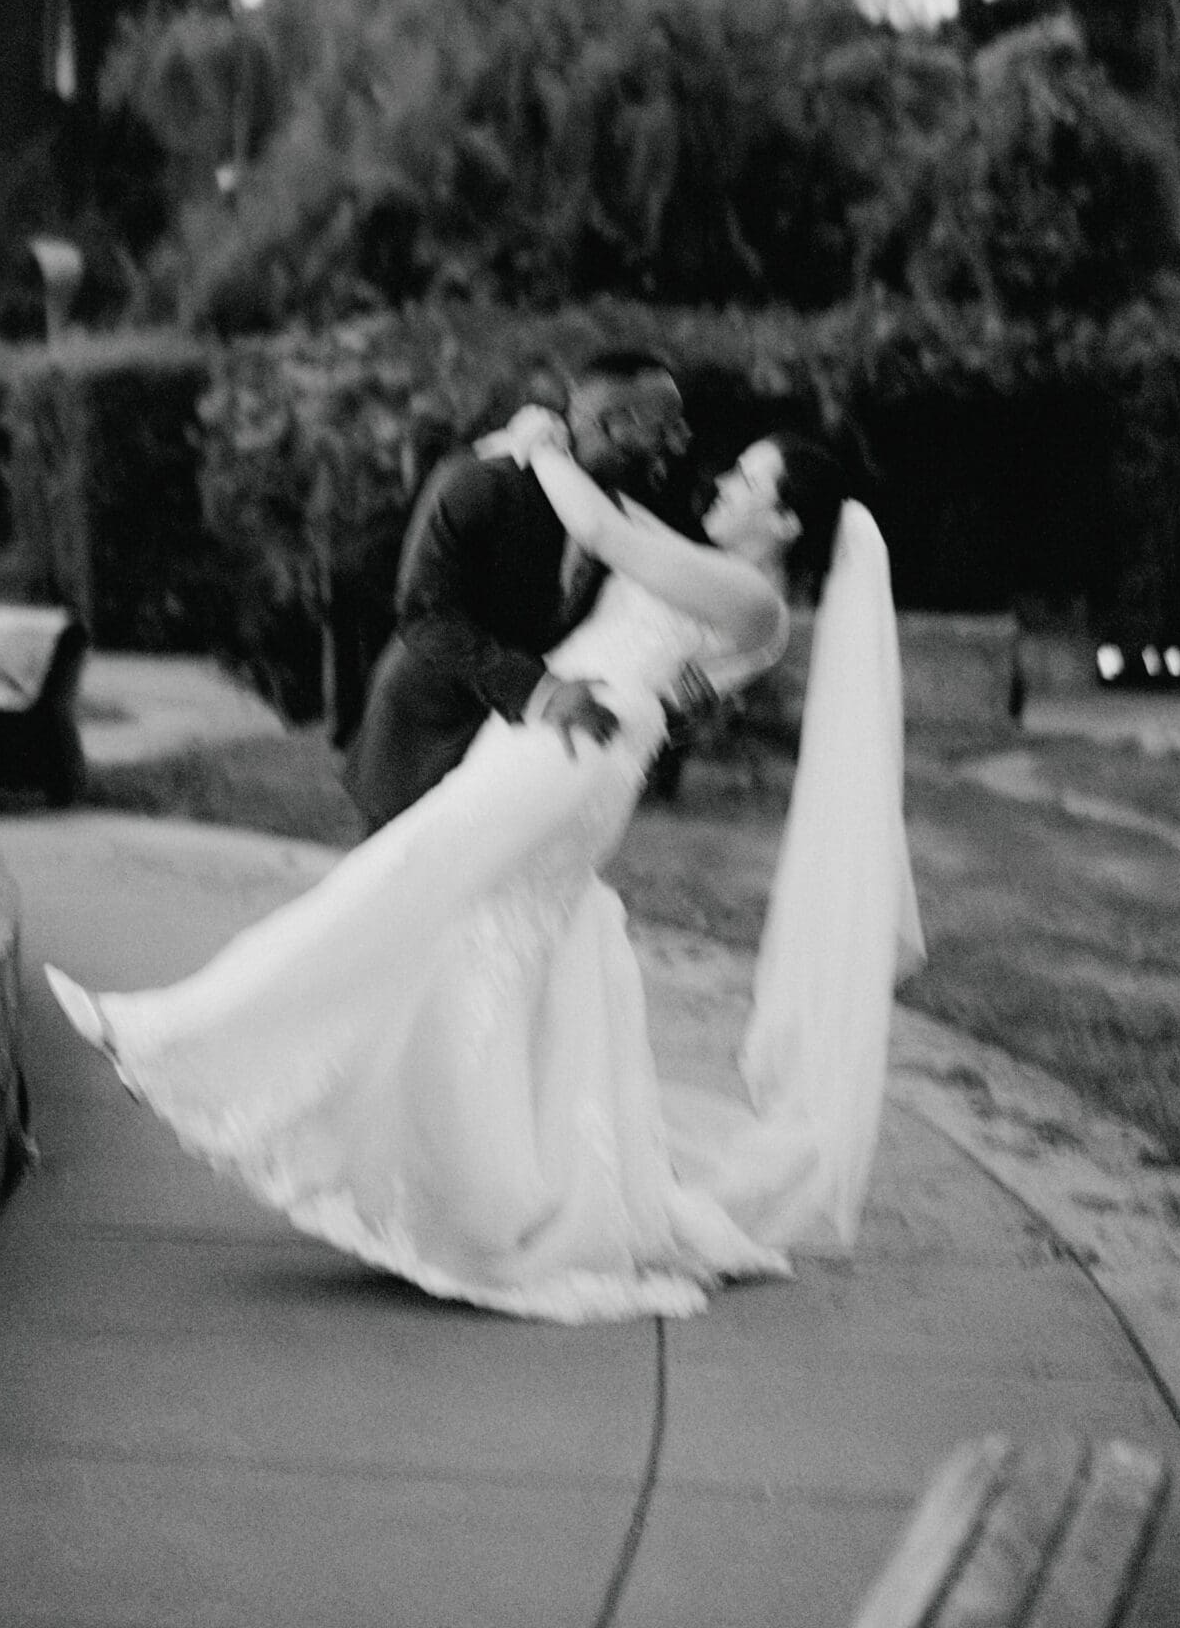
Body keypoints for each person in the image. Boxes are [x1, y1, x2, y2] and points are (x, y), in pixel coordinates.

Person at [46, 418, 924, 1323]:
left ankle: (179, 1033)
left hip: (571, 752)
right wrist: (538, 444)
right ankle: (470, 1185)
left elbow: (605, 532)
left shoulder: (752, 600)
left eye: (748, 480)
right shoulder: (708, 568)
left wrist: (544, 448)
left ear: (784, 524)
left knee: (402, 880)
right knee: (481, 942)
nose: (725, 484)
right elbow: (622, 536)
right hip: (558, 740)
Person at [339, 349, 692, 834]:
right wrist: (541, 693)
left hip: (515, 757)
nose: (677, 443)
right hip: (427, 734)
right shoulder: (479, 481)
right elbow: (425, 618)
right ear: (611, 423)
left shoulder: (621, 502)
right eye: (664, 427)